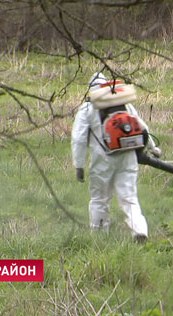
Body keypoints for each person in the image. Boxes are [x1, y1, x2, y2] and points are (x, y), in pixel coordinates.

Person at [71, 72, 160, 241]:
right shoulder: (124, 104)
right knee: (129, 198)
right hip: (127, 158)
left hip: (102, 161)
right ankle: (139, 231)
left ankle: (99, 237)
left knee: (99, 199)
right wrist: (153, 149)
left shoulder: (87, 109)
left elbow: (79, 139)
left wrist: (79, 165)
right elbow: (142, 128)